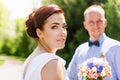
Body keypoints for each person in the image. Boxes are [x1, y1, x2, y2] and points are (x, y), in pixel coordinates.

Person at [67, 4, 120, 80]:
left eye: (99, 21)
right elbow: (69, 77)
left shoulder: (116, 48)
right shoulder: (80, 50)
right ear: (85, 25)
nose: (96, 26)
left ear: (105, 23)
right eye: (91, 22)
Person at [23, 4, 69, 80]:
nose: (62, 32)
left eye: (64, 27)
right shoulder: (51, 63)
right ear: (39, 33)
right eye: (54, 27)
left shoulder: (31, 59)